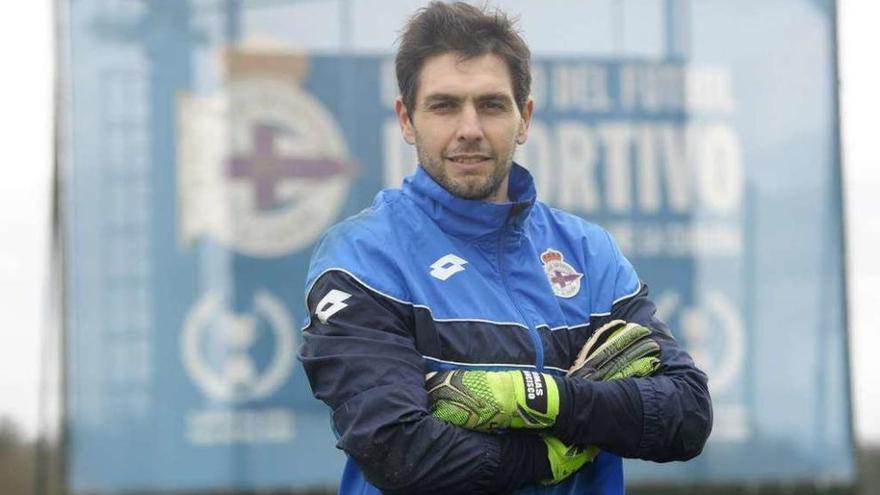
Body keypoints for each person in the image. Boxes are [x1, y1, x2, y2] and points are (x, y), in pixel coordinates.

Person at [298, 2, 712, 493]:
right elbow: (402, 449)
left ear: (524, 118)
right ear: (407, 120)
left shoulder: (588, 252)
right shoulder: (361, 258)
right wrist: (549, 454)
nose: (469, 128)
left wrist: (541, 398)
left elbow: (686, 413)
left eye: (491, 105)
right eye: (444, 105)